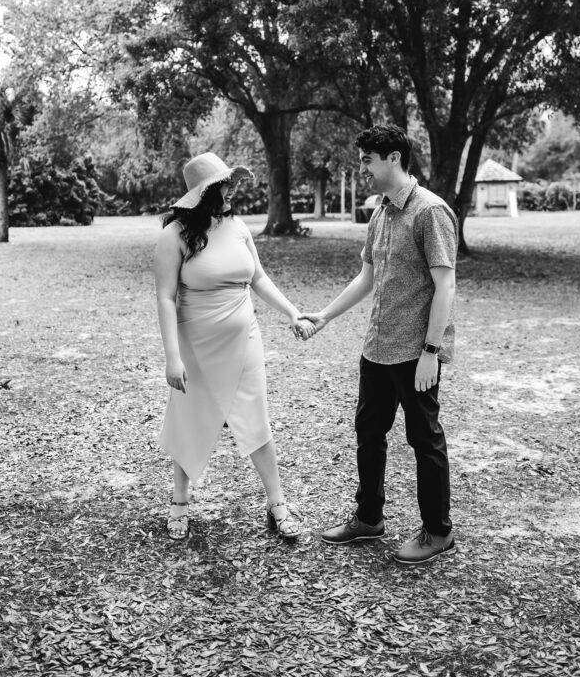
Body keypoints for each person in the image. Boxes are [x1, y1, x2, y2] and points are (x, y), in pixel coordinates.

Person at [300, 125, 457, 565]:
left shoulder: (430, 212)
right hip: (377, 348)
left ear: (392, 157)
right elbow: (367, 278)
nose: (363, 167)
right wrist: (325, 316)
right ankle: (368, 518)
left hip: (415, 353)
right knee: (369, 434)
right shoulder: (381, 212)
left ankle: (438, 531)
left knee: (424, 439)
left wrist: (431, 350)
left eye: (368, 159)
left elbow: (446, 286)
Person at [155, 151, 314, 543]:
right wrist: (172, 357)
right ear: (205, 193)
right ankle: (179, 502)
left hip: (245, 341)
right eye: (225, 186)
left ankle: (277, 503)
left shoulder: (239, 226)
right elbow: (164, 298)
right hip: (196, 344)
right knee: (189, 419)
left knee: (255, 418)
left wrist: (293, 313)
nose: (232, 191)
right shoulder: (173, 236)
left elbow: (258, 278)